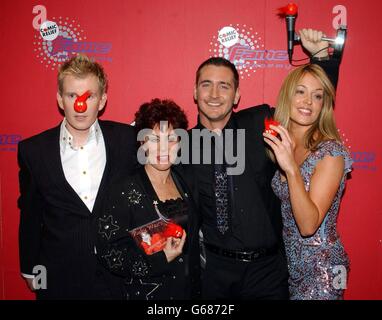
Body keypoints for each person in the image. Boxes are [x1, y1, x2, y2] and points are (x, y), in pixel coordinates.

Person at [189, 29, 341, 299]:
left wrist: (320, 59)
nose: (214, 94)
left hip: (268, 272)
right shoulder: (182, 147)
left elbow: (309, 107)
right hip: (215, 274)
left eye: (224, 86)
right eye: (206, 84)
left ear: (236, 95)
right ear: (195, 92)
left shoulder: (263, 124)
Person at [17, 54, 137, 299]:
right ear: (60, 99)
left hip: (116, 277)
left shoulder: (126, 140)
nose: (79, 106)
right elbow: (31, 213)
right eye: (72, 96)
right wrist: (30, 270)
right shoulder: (34, 150)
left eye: (89, 96)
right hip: (59, 275)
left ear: (102, 100)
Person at [96, 98, 201, 300]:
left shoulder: (185, 181)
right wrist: (160, 260)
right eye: (154, 139)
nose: (163, 147)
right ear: (142, 143)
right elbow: (109, 253)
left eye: (171, 138)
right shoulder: (123, 190)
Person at [263, 64, 352, 300]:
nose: (308, 101)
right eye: (300, 92)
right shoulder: (284, 143)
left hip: (322, 269)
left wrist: (291, 168)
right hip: (292, 268)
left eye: (317, 95)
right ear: (287, 96)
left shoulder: (331, 153)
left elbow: (308, 225)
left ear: (324, 105)